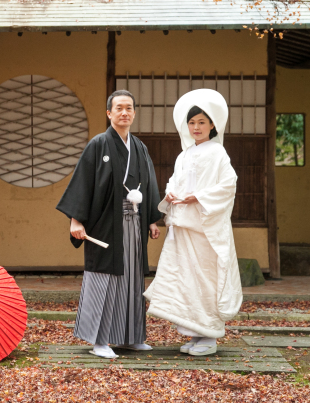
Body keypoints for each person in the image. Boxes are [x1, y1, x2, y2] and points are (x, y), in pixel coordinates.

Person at [57, 90, 163, 359]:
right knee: (104, 277)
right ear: (109, 113)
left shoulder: (140, 147)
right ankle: (99, 340)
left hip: (134, 222)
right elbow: (83, 184)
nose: (124, 112)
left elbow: (149, 182)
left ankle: (131, 337)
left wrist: (151, 218)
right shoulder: (98, 144)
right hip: (105, 223)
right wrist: (76, 220)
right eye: (119, 108)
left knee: (132, 277)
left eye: (129, 108)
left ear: (134, 113)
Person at [144, 88, 243, 356]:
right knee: (185, 279)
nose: (196, 127)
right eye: (192, 123)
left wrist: (197, 197)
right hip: (183, 226)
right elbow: (174, 183)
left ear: (212, 125)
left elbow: (228, 185)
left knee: (206, 279)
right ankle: (195, 334)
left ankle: (209, 336)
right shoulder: (184, 155)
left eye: (201, 122)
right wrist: (172, 193)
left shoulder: (218, 153)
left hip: (205, 229)